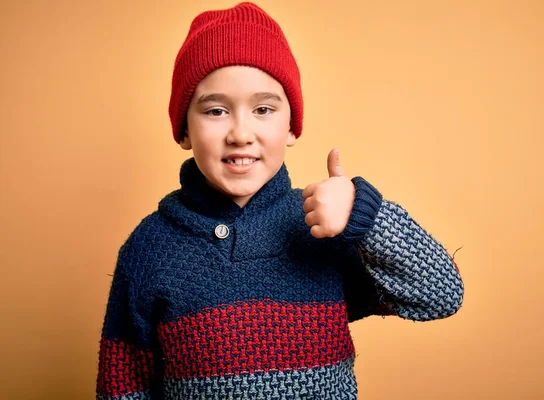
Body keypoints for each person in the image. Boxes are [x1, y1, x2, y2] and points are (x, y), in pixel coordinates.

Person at [95, 2, 464, 399]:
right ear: (184, 130)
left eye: (263, 109)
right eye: (216, 110)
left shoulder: (323, 227)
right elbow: (123, 386)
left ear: (291, 126)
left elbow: (439, 295)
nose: (240, 133)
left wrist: (366, 217)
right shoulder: (150, 247)